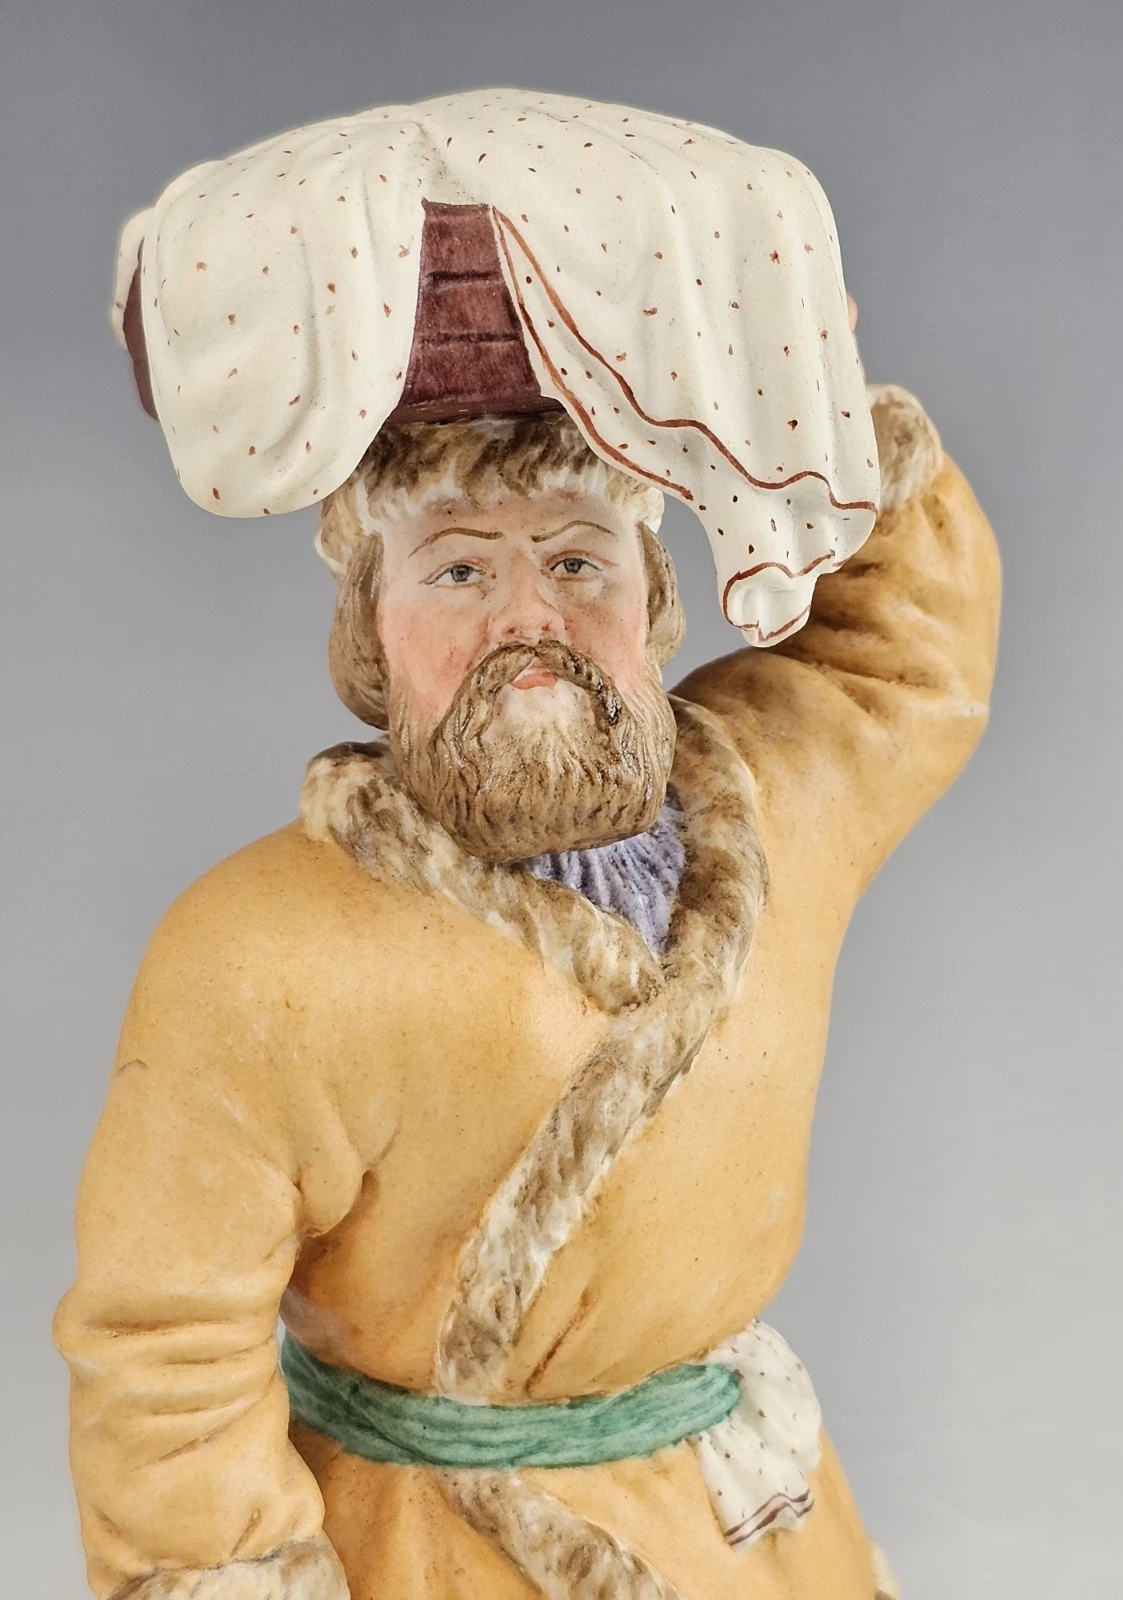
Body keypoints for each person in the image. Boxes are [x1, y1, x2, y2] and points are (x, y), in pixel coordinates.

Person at [54, 92, 1000, 1600]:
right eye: (456, 571)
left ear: (656, 602)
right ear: (368, 632)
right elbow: (167, 1356)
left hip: (745, 1532)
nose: (526, 621)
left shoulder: (778, 800)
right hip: (426, 1551)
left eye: (575, 558)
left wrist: (804, 397)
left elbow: (912, 641)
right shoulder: (256, 954)